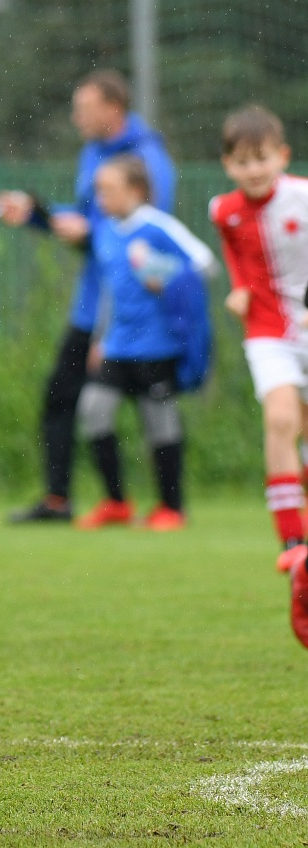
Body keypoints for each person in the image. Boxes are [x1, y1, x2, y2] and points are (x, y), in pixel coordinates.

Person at [0, 70, 176, 523]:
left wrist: (90, 231)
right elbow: (85, 223)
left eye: (85, 109)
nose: (77, 117)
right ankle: (67, 499)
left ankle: (171, 506)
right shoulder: (92, 153)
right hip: (91, 306)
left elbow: (147, 233)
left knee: (153, 408)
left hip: (134, 313)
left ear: (113, 108)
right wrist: (37, 216)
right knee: (65, 398)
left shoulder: (150, 158)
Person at [76, 155, 215, 531]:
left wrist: (161, 271)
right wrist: (100, 339)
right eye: (99, 190)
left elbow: (205, 264)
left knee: (160, 424)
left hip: (158, 347)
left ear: (136, 190)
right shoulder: (105, 230)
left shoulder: (158, 226)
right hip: (117, 346)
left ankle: (172, 507)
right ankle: (116, 502)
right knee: (93, 411)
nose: (101, 198)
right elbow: (110, 290)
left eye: (109, 190)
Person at [210, 107, 308, 569]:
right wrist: (241, 288)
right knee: (281, 419)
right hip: (268, 331)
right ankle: (291, 542)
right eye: (243, 161)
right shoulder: (223, 211)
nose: (254, 170)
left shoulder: (302, 197)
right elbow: (237, 253)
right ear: (228, 165)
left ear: (282, 156)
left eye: (262, 158)